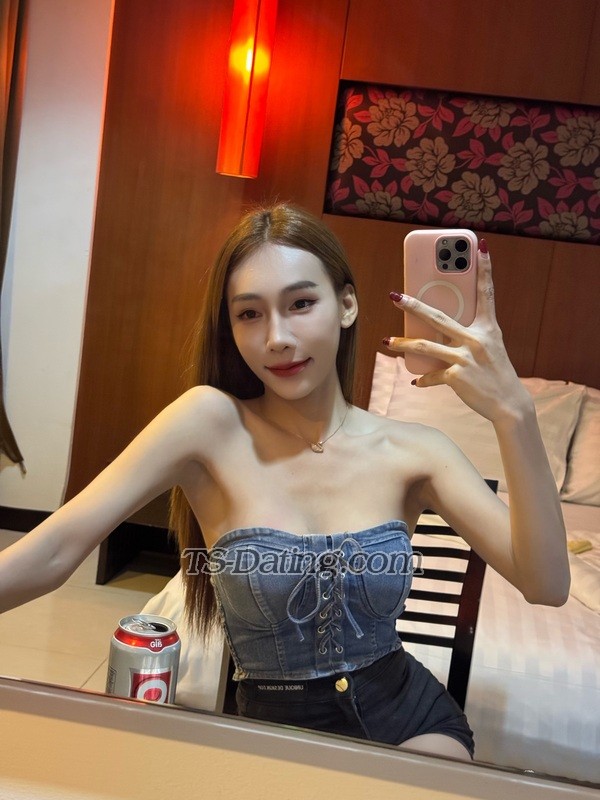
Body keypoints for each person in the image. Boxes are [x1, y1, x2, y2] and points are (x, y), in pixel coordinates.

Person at [0, 203, 569, 761]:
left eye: (301, 303)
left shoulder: (417, 451)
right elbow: (54, 551)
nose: (276, 337)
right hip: (273, 742)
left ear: (346, 305)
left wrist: (514, 413)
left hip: (412, 724)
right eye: (250, 314)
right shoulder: (209, 424)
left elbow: (545, 583)